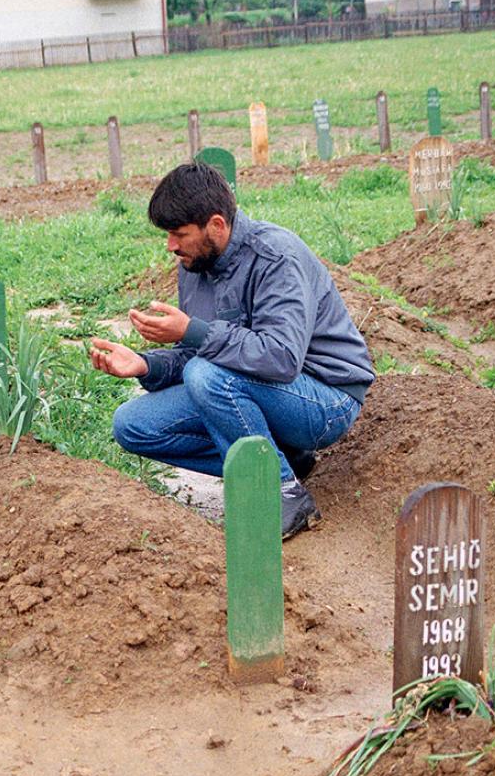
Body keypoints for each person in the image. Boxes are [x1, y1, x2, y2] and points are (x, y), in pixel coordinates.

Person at [89, 163, 374, 539]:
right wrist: (145, 365)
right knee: (133, 425)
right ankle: (280, 460)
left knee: (206, 376)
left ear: (217, 225)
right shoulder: (195, 264)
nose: (171, 246)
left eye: (179, 234)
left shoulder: (277, 259)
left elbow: (282, 358)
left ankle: (283, 496)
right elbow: (201, 352)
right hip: (258, 389)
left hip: (326, 399)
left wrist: (193, 331)